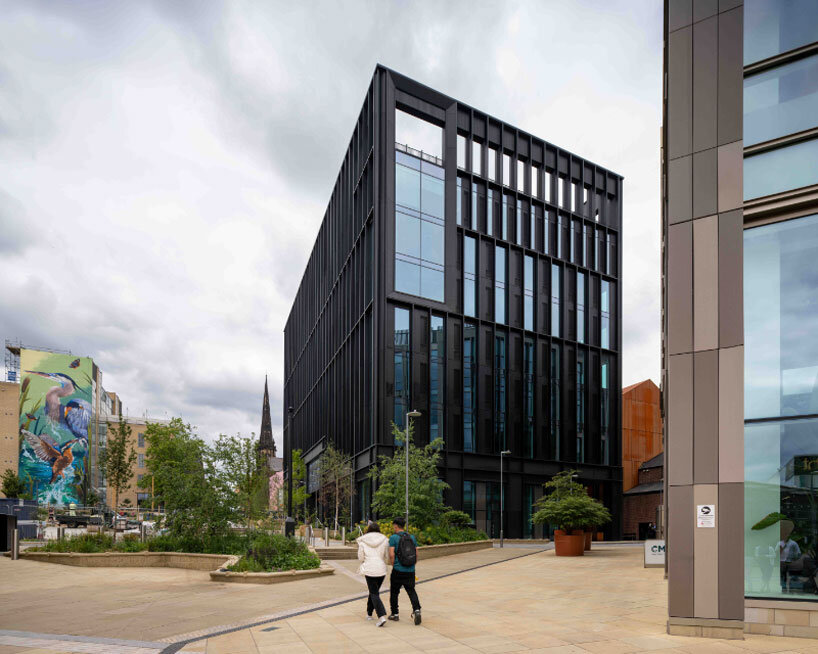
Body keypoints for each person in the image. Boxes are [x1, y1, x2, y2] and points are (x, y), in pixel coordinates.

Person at [388, 517, 421, 625]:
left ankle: (395, 613)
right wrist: (412, 565)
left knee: (394, 592)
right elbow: (416, 553)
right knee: (411, 591)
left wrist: (394, 565)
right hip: (410, 570)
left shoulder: (393, 538)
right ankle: (417, 610)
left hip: (398, 570)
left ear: (396, 526)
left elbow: (391, 554)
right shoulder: (412, 537)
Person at [356, 521, 389, 627]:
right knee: (374, 591)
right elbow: (387, 556)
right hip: (381, 569)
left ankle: (381, 616)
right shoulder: (384, 540)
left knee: (374, 593)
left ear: (368, 530)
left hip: (369, 569)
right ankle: (369, 613)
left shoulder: (363, 541)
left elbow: (360, 557)